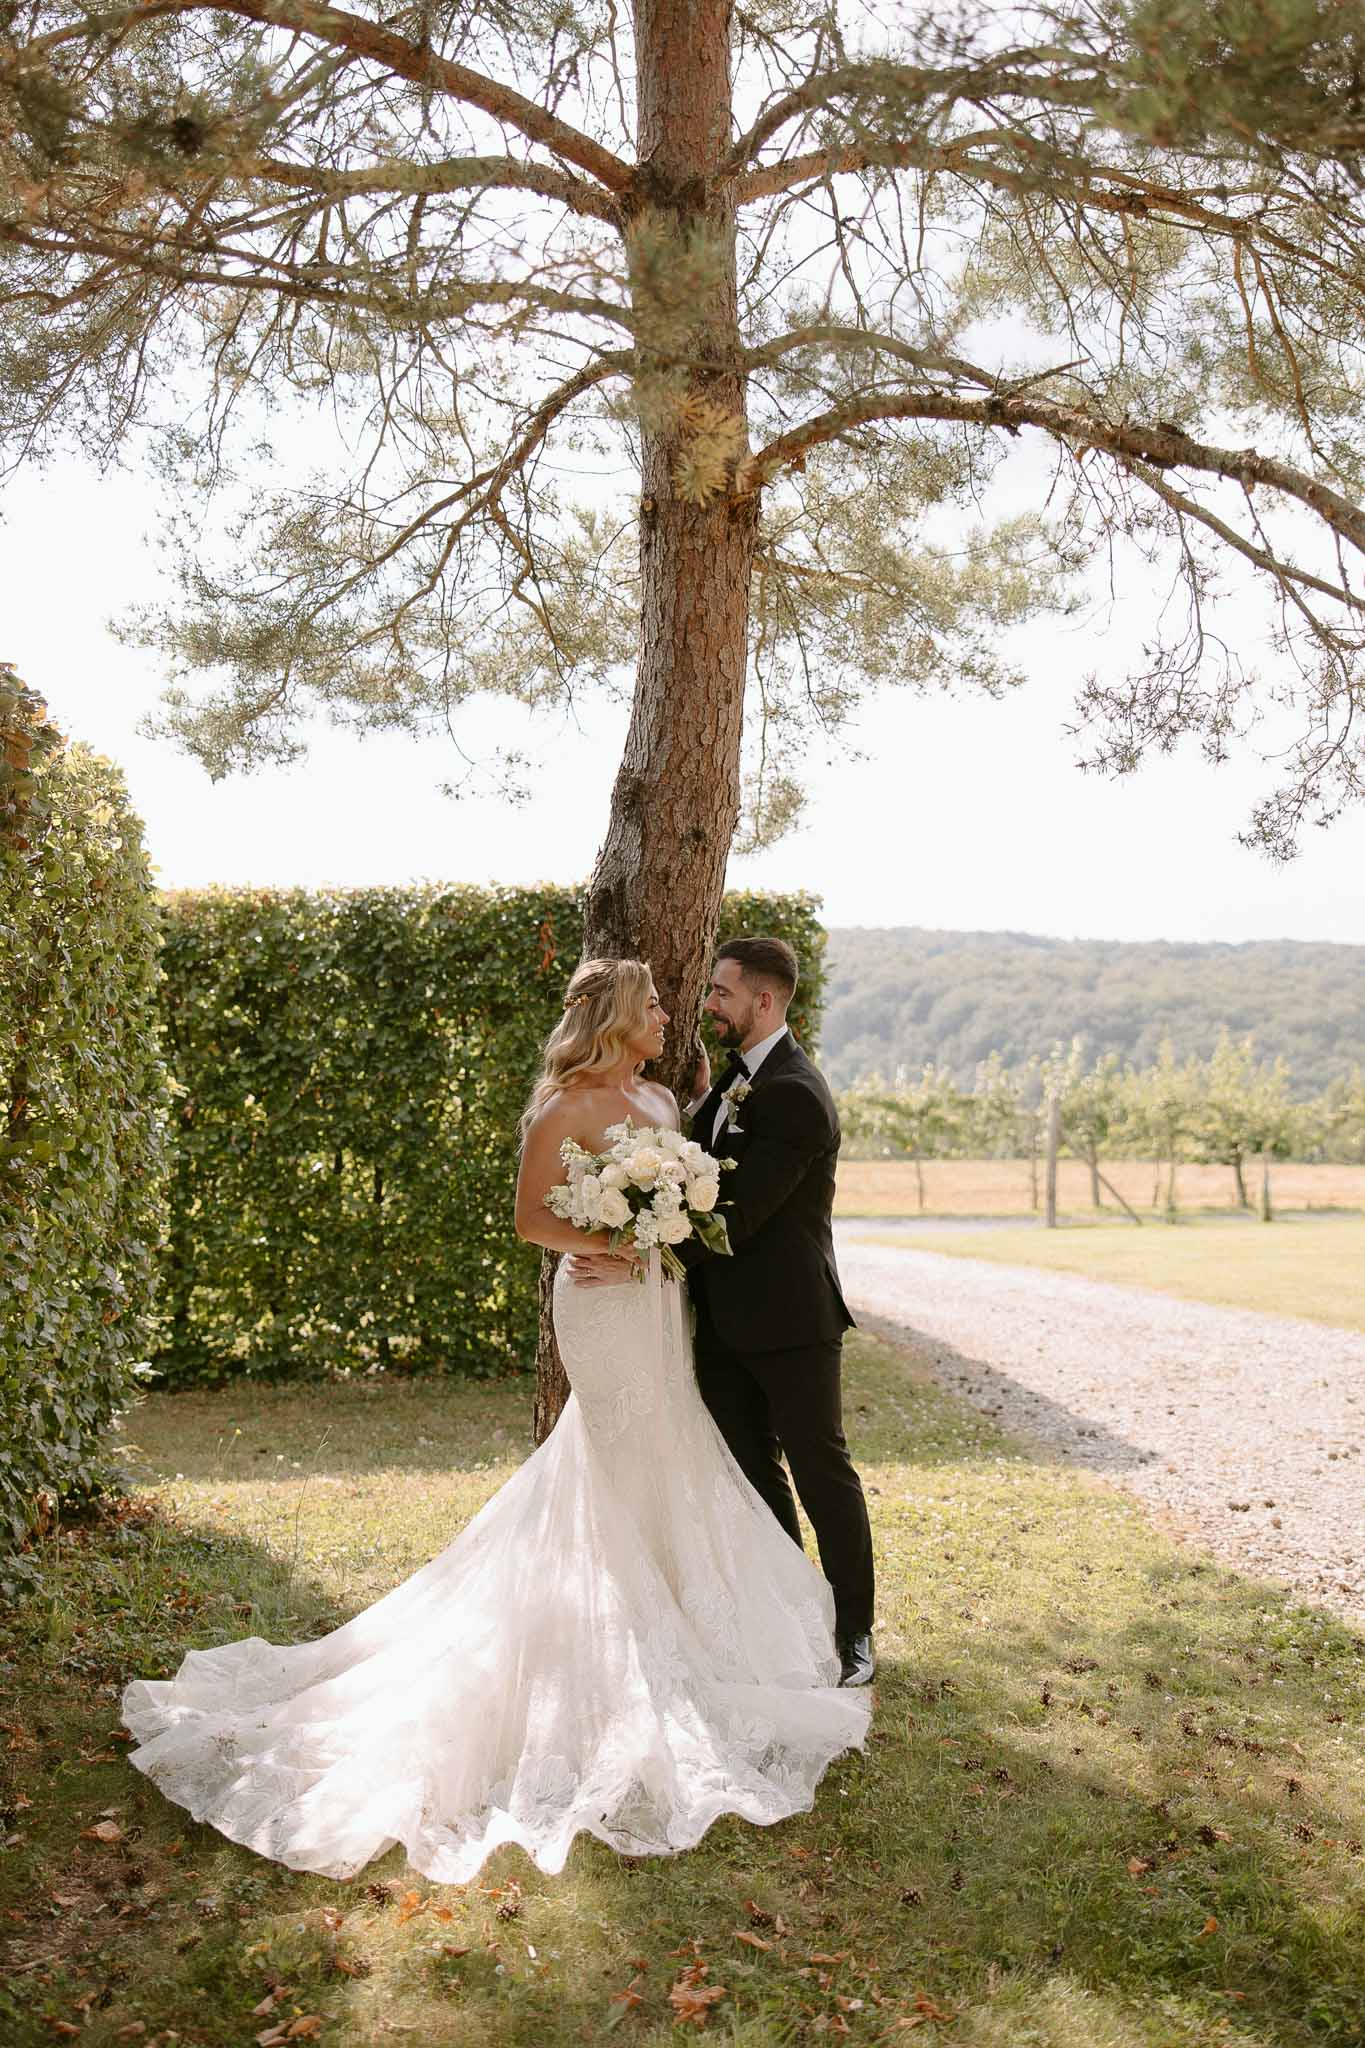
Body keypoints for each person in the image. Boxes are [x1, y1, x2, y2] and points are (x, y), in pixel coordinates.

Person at [119, 957, 869, 1884]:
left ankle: (687, 1619)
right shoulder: (562, 1108)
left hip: (657, 1305)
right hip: (601, 1305)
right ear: (616, 1017)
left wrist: (649, 1237)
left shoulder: (666, 1100)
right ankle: (609, 1640)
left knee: (674, 1447)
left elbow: (698, 1189)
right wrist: (609, 1239)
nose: (669, 1013)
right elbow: (530, 1221)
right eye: (653, 1004)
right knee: (616, 1452)